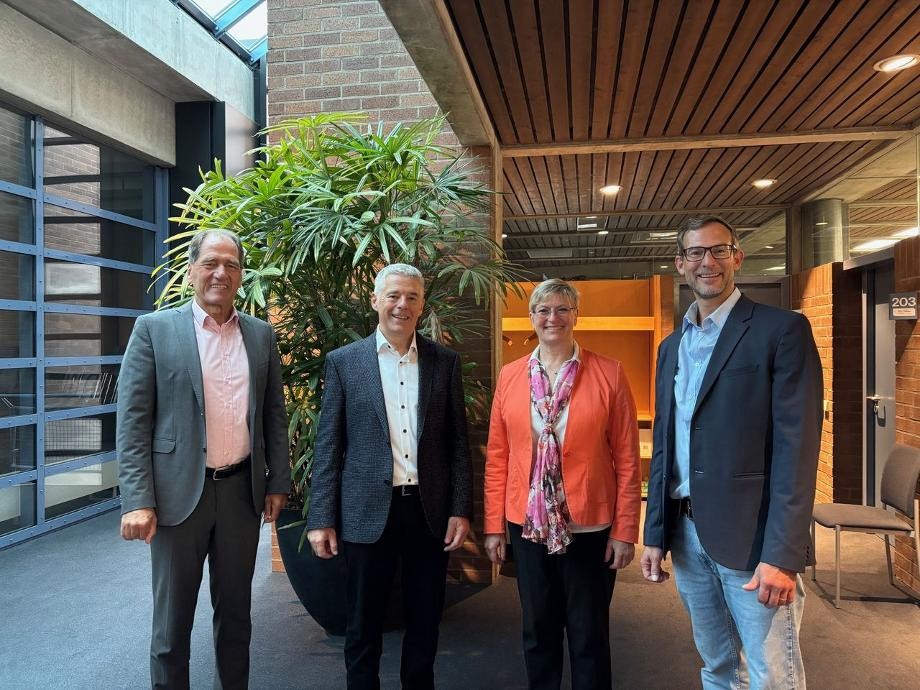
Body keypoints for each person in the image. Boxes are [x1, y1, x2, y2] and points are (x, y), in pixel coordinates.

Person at [640, 216, 823, 689]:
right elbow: (667, 444)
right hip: (686, 535)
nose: (708, 262)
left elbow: (796, 450)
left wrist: (782, 554)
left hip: (754, 540)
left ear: (738, 257)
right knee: (717, 666)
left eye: (719, 250)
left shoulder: (781, 330)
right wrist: (656, 533)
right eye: (696, 253)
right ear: (680, 263)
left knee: (771, 675)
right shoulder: (671, 347)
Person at [117, 229, 290, 690]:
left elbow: (273, 415)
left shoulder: (260, 335)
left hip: (240, 494)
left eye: (231, 265)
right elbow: (133, 421)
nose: (221, 273)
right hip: (177, 498)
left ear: (241, 275)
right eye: (211, 263)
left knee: (236, 619)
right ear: (191, 270)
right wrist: (138, 498)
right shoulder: (154, 330)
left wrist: (278, 483)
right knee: (171, 626)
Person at [306, 263, 473, 690]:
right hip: (365, 513)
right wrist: (320, 517)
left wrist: (460, 509)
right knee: (362, 621)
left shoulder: (444, 362)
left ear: (422, 305)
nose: (402, 305)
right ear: (376, 300)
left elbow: (457, 443)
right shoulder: (344, 363)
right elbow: (328, 445)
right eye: (394, 296)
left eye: (412, 297)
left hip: (428, 511)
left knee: (425, 617)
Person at [484, 278, 641, 690]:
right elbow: (498, 456)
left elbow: (627, 460)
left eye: (562, 309)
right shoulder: (511, 376)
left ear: (575, 316)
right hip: (528, 527)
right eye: (543, 310)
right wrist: (493, 526)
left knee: (589, 634)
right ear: (532, 318)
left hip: (589, 527)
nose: (552, 317)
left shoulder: (609, 373)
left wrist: (625, 531)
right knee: (538, 631)